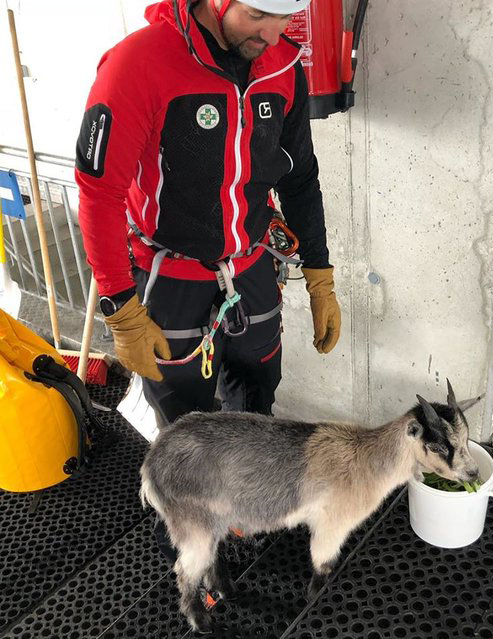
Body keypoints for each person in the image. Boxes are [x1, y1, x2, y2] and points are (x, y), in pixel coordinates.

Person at [75, 0, 341, 566]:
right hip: (169, 278)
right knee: (183, 421)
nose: (273, 33)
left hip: (251, 269)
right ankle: (190, 538)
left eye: (287, 17)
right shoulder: (139, 63)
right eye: (258, 14)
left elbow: (300, 178)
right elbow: (100, 194)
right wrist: (121, 307)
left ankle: (243, 507)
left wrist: (320, 274)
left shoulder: (282, 65)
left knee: (256, 392)